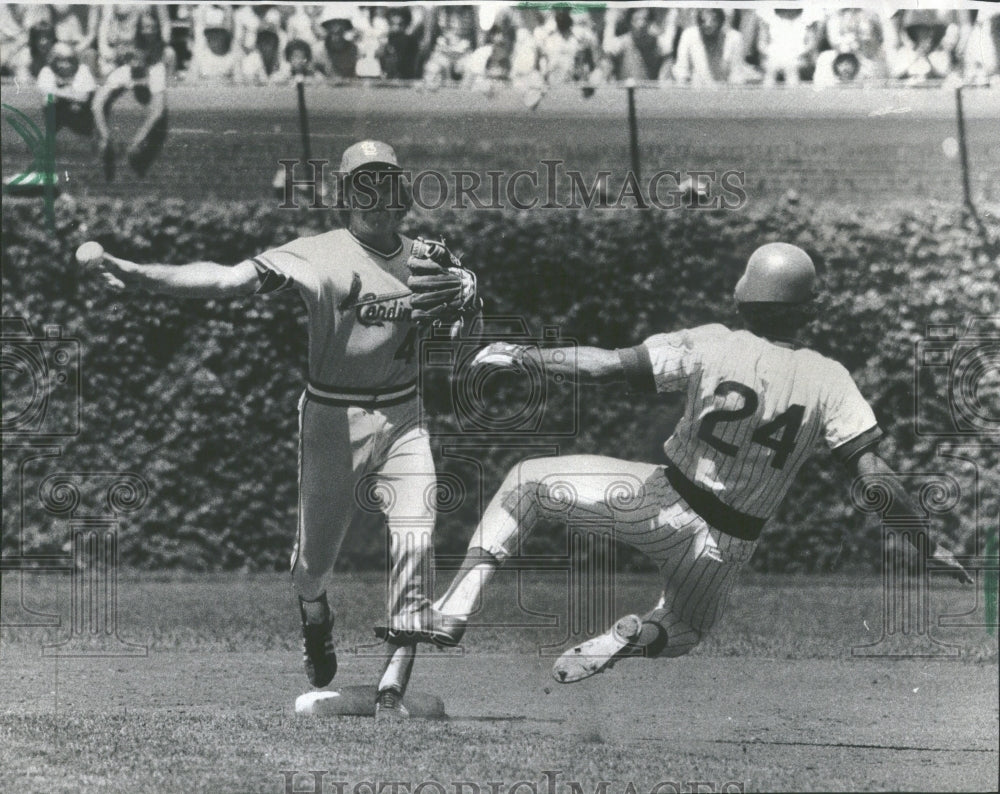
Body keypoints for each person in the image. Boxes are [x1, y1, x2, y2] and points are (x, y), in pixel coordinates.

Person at [430, 242, 972, 685]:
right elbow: (875, 476)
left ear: (744, 299)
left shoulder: (711, 343)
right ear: (808, 307)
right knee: (685, 630)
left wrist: (523, 355)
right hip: (728, 546)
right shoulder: (830, 377)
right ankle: (634, 635)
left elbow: (601, 368)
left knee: (527, 482)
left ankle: (455, 608)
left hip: (661, 502)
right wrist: (926, 544)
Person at [89, 141, 477, 720]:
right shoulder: (315, 255)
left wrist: (469, 295)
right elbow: (224, 281)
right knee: (313, 560)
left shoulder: (431, 260)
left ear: (403, 193)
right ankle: (314, 609)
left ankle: (393, 684)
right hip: (331, 415)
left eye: (387, 184)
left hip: (403, 415)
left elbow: (457, 346)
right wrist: (141, 275)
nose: (378, 197)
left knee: (416, 531)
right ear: (348, 197)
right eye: (364, 186)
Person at [93, 10, 168, 180]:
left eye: (138, 52)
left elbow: (157, 111)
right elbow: (97, 104)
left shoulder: (156, 70)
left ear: (146, 54)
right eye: (130, 53)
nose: (133, 57)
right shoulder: (122, 72)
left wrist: (138, 139)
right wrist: (105, 136)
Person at [673, 8, 748, 85]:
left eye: (713, 20)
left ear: (721, 21)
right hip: (696, 92)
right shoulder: (688, 35)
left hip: (723, 93)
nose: (708, 25)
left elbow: (737, 75)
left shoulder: (734, 38)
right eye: (703, 21)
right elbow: (682, 71)